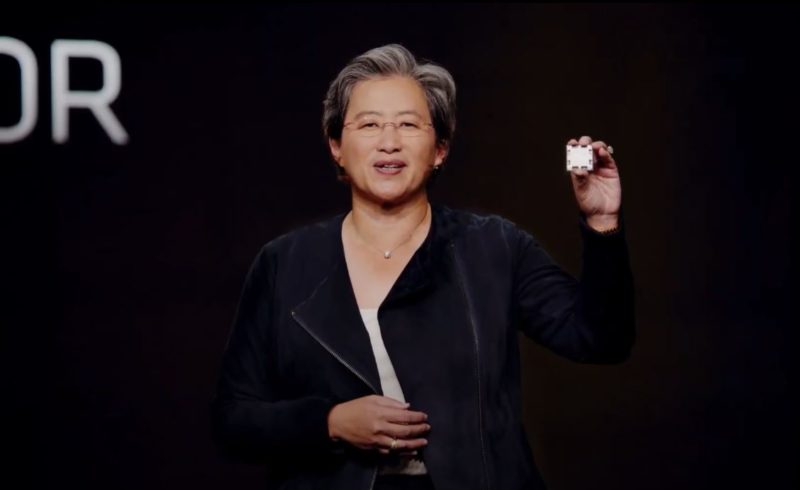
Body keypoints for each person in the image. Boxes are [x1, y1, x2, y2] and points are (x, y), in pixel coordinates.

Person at [211, 44, 635, 490]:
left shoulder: (494, 247)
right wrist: (330, 422)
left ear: (440, 149)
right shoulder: (284, 263)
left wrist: (602, 222)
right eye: (369, 124)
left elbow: (601, 340)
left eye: (409, 124)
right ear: (337, 146)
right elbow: (233, 419)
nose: (389, 142)